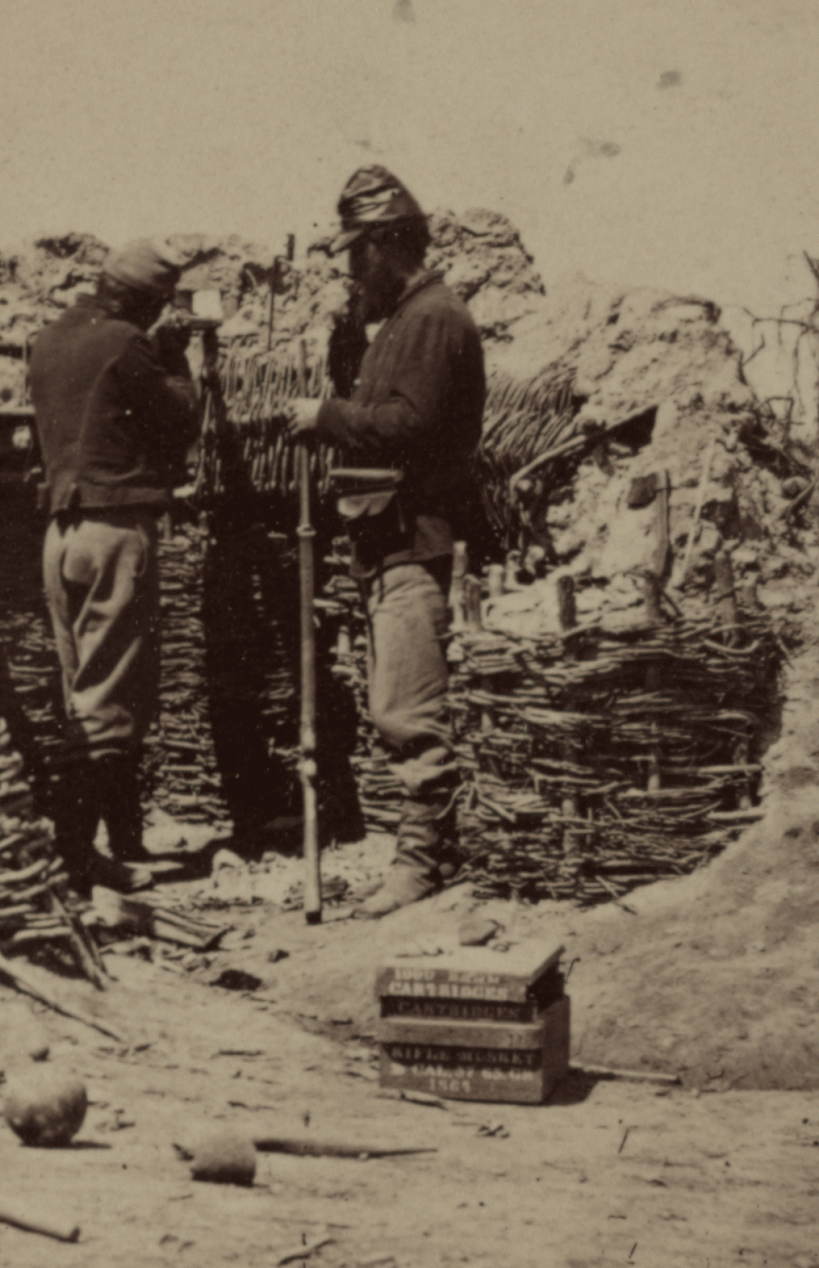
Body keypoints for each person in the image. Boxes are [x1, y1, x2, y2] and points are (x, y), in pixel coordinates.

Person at [286, 166, 486, 917]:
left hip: (417, 539)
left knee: (407, 711)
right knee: (396, 705)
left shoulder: (435, 318)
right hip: (387, 539)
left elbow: (414, 424)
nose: (347, 268)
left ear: (384, 247)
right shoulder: (402, 321)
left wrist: (326, 417)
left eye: (355, 254)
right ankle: (429, 852)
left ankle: (422, 865)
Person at [29, 239, 201, 895]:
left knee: (87, 692)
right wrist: (177, 355)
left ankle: (120, 841)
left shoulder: (49, 338)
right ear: (144, 302)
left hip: (62, 531)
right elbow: (179, 419)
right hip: (113, 530)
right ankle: (76, 859)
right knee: (110, 701)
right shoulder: (129, 346)